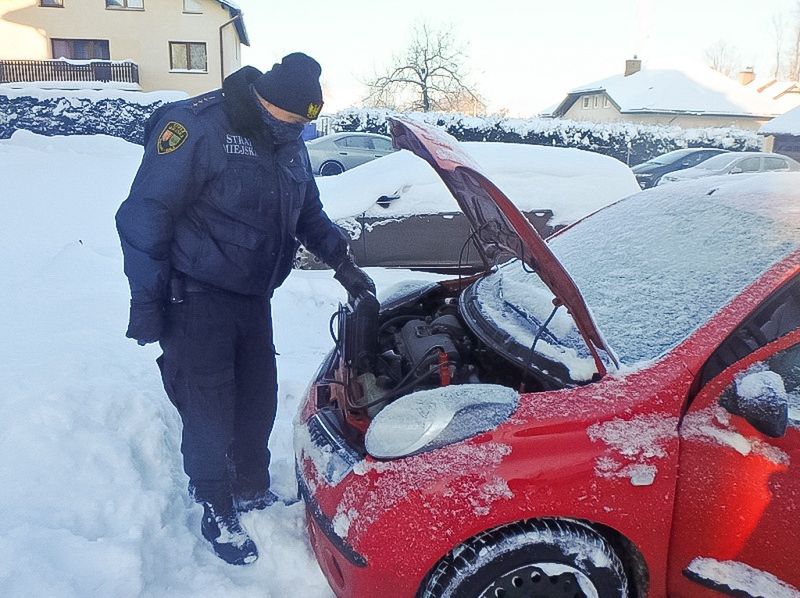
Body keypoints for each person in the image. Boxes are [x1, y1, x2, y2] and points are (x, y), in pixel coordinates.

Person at [115, 53, 375, 566]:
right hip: (196, 294)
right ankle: (214, 500)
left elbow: (309, 214)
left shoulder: (289, 145)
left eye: (307, 124)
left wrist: (344, 265)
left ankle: (251, 485)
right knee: (209, 402)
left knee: (258, 394)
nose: (299, 132)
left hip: (253, 296)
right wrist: (145, 302)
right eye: (294, 120)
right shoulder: (198, 129)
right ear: (267, 101)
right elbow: (144, 215)